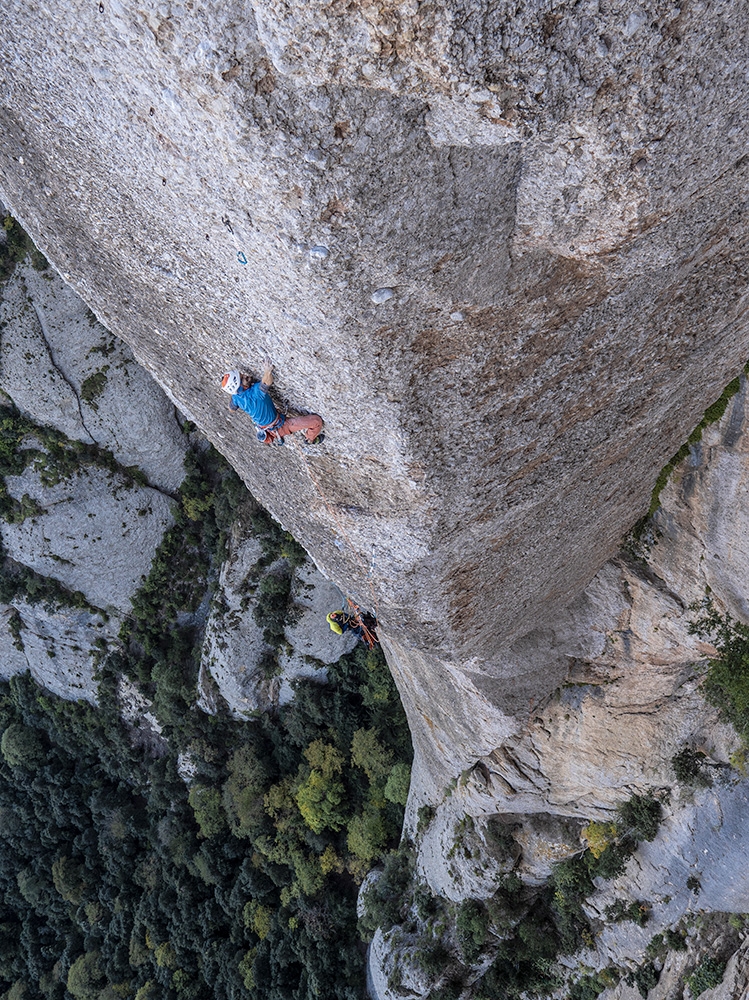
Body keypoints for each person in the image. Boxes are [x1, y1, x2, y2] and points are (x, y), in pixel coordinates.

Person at [221, 362, 324, 446]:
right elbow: (267, 382)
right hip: (281, 427)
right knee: (316, 421)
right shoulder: (255, 393)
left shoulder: (236, 398)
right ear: (239, 386)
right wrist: (267, 370)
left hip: (267, 427)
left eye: (242, 375)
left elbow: (231, 409)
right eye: (243, 378)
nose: (246, 376)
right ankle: (310, 440)